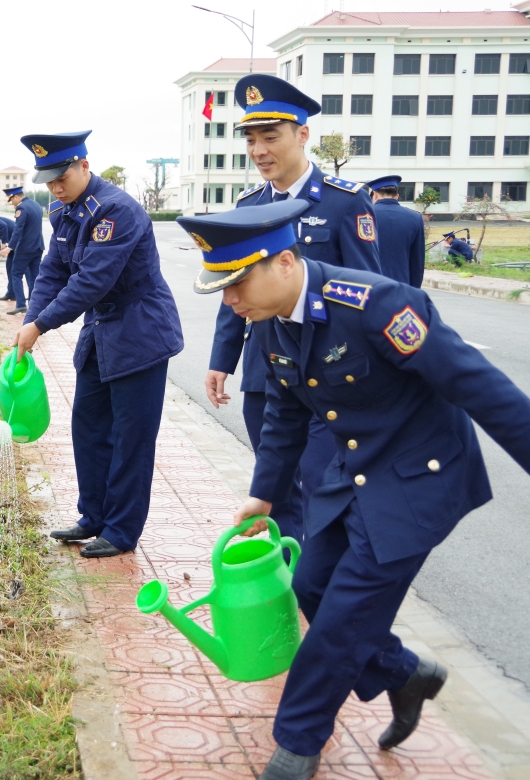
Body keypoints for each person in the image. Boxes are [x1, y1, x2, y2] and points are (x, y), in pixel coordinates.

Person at [176, 200, 530, 780]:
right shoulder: (271, 323)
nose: (230, 300)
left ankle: (298, 739)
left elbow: (468, 376)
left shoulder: (376, 304)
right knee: (310, 588)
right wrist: (264, 496)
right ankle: (407, 675)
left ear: (285, 261)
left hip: (420, 479)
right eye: (220, 288)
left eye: (237, 282)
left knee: (345, 618)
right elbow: (284, 416)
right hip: (353, 472)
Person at [204, 74, 381, 547]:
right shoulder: (248, 205)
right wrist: (224, 360)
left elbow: (371, 291)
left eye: (271, 137)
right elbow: (233, 287)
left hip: (331, 375)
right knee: (275, 490)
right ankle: (289, 589)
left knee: (325, 489)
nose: (260, 150)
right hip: (268, 373)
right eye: (252, 139)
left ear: (302, 135)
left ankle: (323, 592)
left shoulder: (345, 202)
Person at [11, 130, 184, 558]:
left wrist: (41, 326)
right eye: (48, 180)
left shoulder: (116, 212)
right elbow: (53, 268)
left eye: (61, 177)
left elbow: (92, 281)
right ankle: (93, 515)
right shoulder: (63, 209)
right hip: (101, 331)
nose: (55, 187)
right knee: (88, 425)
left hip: (140, 331)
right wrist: (31, 317)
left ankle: (122, 531)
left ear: (84, 165)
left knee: (131, 436)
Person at [368, 176, 426, 288]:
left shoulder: (363, 217)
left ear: (375, 194)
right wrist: (414, 290)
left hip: (370, 287)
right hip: (402, 286)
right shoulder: (415, 217)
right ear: (397, 196)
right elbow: (417, 261)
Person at [3, 186, 45, 315]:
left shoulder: (21, 208)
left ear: (16, 197)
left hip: (25, 249)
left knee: (16, 274)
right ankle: (34, 306)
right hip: (38, 247)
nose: (12, 203)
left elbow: (18, 230)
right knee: (34, 277)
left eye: (11, 200)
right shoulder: (36, 205)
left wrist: (9, 247)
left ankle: (20, 304)